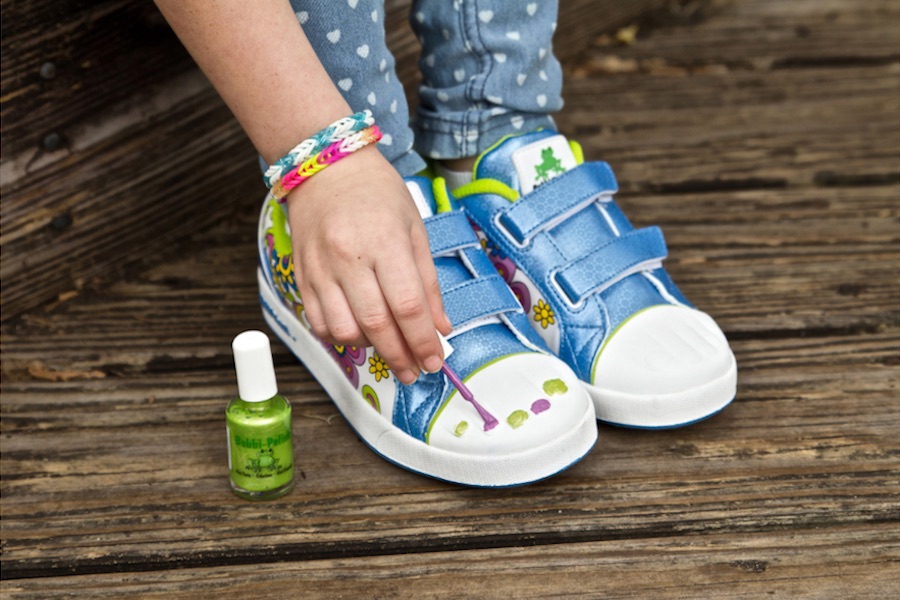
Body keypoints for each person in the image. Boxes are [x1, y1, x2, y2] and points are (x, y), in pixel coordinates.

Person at [156, 0, 736, 486]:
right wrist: (324, 163)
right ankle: (351, 194)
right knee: (349, 169)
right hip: (317, 152)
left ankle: (489, 137)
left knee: (492, 118)